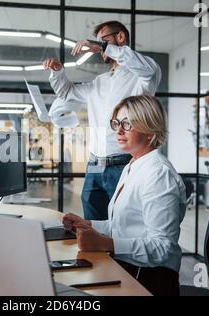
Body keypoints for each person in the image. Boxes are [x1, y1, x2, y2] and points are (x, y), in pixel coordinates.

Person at [62, 95, 186, 296]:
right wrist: (87, 225)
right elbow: (121, 227)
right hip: (130, 268)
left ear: (150, 129)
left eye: (127, 123)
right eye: (117, 123)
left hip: (151, 280)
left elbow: (163, 248)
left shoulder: (158, 173)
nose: (118, 130)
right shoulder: (132, 165)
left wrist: (104, 243)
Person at [43, 21, 161, 220]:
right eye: (99, 43)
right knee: (93, 226)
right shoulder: (99, 82)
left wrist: (107, 47)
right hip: (95, 165)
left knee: (123, 223)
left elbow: (148, 69)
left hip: (123, 163)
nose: (97, 47)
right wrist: (57, 73)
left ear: (120, 37)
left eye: (103, 40)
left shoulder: (142, 76)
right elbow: (67, 92)